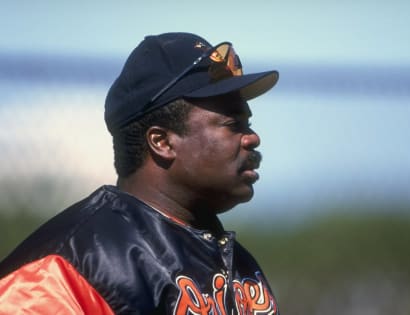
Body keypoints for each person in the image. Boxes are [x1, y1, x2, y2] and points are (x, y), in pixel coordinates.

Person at [0, 32, 280, 314]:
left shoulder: (238, 264)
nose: (252, 138)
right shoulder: (62, 269)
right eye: (233, 124)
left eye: (248, 123)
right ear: (163, 142)